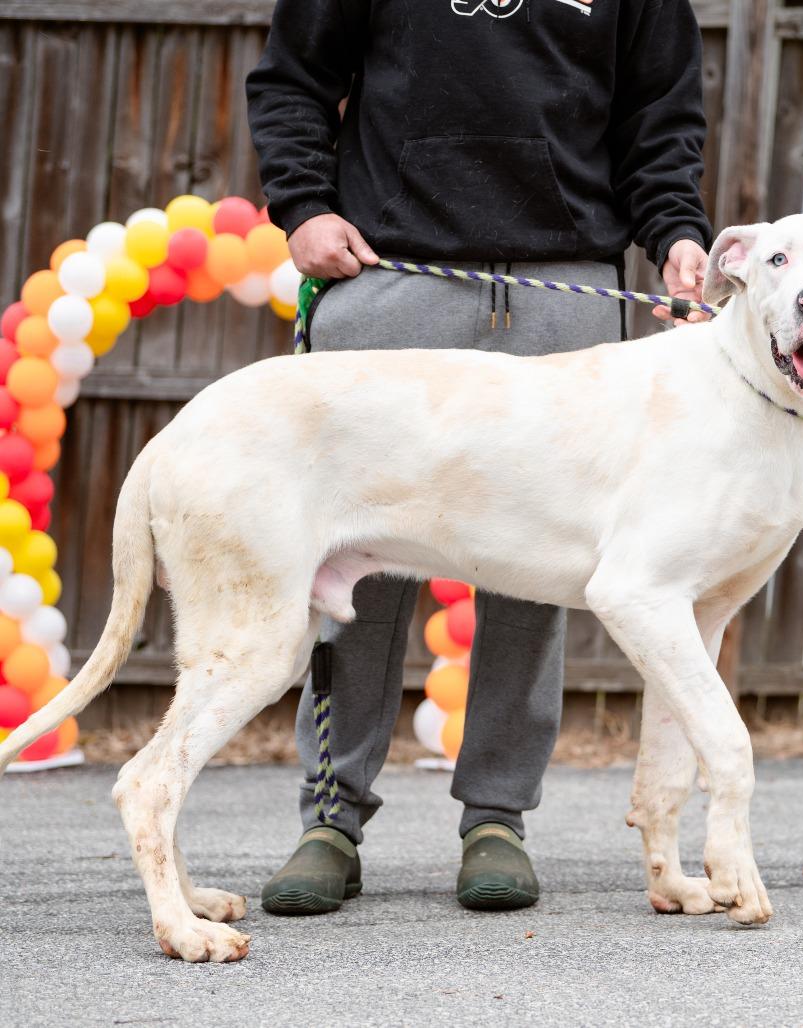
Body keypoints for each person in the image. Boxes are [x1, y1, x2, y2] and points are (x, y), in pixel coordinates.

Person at [246, 0, 712, 917]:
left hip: (562, 287)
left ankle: (496, 817)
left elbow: (661, 114)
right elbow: (293, 77)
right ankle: (331, 818)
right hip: (392, 279)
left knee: (541, 572)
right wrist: (301, 207)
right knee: (352, 563)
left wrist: (676, 232)